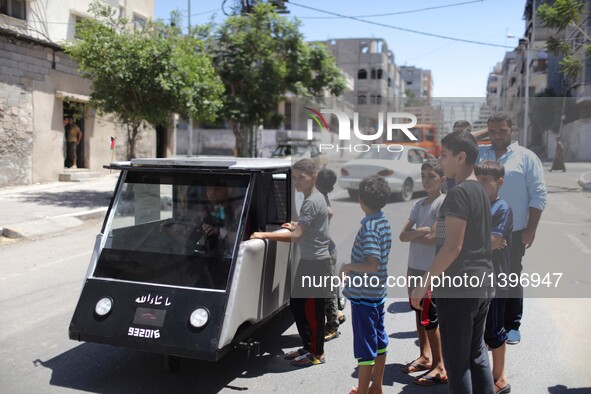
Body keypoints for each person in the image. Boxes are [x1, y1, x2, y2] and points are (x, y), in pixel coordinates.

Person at [411, 131, 495, 393]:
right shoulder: (479, 190)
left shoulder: (458, 194)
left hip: (461, 286)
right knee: (476, 355)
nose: (440, 159)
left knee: (458, 364)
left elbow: (452, 247)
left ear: (461, 157)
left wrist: (424, 284)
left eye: (444, 154)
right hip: (481, 282)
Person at [473, 112, 547, 345]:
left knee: (510, 277)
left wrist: (531, 230)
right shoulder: (481, 154)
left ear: (512, 129)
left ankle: (511, 324)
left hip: (514, 232)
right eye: (492, 131)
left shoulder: (526, 157)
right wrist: (484, 132)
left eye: (502, 130)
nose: (496, 136)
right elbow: (456, 140)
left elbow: (538, 195)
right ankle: (486, 323)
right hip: (480, 231)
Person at [251, 158, 331, 367]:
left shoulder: (312, 200)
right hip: (309, 261)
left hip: (316, 263)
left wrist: (265, 235)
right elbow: (317, 220)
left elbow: (296, 237)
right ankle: (307, 346)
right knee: (297, 304)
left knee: (312, 310)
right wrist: (298, 224)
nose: (297, 182)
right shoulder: (312, 198)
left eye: (301, 178)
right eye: (294, 177)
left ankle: (316, 353)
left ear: (313, 177)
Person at [341, 175, 392, 394]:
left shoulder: (370, 227)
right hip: (377, 294)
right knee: (379, 341)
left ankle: (363, 390)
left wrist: (349, 267)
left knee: (365, 347)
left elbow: (372, 263)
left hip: (365, 297)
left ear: (361, 200)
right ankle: (376, 387)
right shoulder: (383, 222)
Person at [399, 159, 448, 386]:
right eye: (424, 175)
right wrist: (421, 230)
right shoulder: (418, 205)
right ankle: (425, 356)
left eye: (432, 176)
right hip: (413, 267)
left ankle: (439, 365)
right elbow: (403, 235)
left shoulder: (444, 203)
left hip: (430, 270)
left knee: (430, 318)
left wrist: (418, 233)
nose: (426, 180)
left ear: (442, 180)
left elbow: (436, 237)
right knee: (418, 314)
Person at [476, 160, 513, 394]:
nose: (480, 186)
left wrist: (484, 241)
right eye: (477, 181)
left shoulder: (502, 209)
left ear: (499, 183)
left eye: (485, 182)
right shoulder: (477, 206)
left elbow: (492, 243)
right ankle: (482, 373)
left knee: (493, 329)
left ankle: (499, 377)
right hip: (476, 276)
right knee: (478, 331)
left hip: (495, 279)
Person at [315, 168, 346, 342]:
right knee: (331, 285)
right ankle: (338, 312)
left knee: (327, 290)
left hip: (325, 251)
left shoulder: (317, 198)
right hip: (329, 248)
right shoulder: (322, 196)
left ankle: (332, 326)